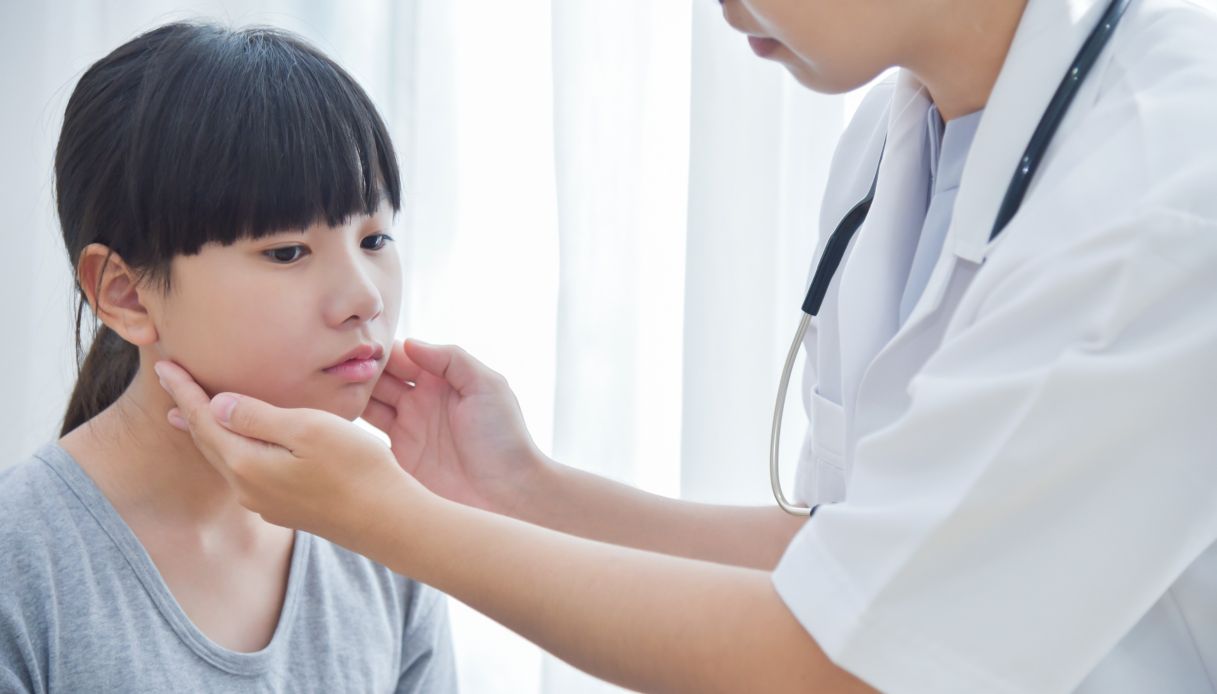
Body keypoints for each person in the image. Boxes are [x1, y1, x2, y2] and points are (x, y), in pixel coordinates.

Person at [156, 0, 1217, 692]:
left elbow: (844, 660)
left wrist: (391, 522)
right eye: (286, 251)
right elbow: (857, 554)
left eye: (376, 238)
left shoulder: (1162, 184)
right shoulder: (896, 138)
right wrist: (519, 489)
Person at [0, 22, 456, 693]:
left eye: (375, 239)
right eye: (287, 251)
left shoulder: (391, 540)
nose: (365, 298)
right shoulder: (20, 565)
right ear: (125, 294)